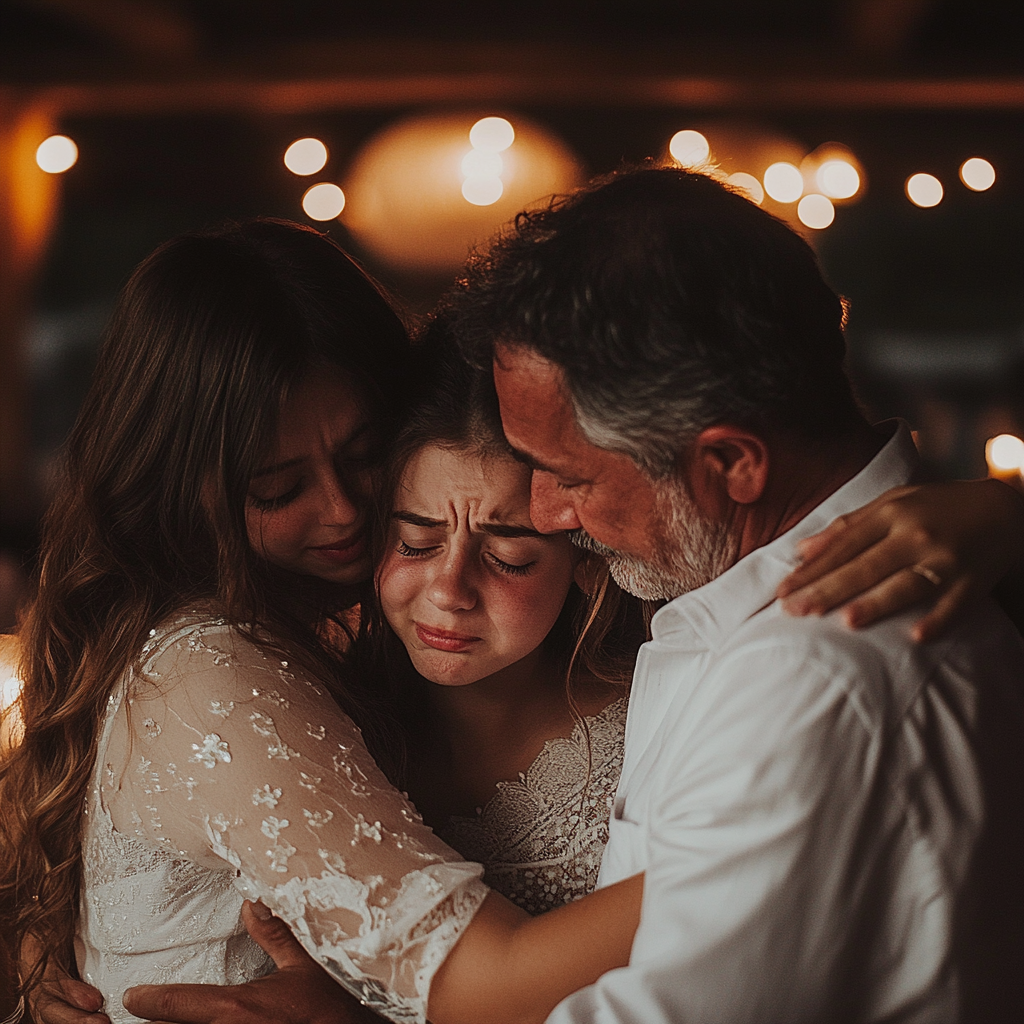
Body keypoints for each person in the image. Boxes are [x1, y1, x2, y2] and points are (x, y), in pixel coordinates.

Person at [10, 200, 1024, 1024]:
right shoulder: (257, 674)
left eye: (541, 510)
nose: (342, 512)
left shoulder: (782, 660)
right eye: (410, 536)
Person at [0, 220, 644, 1024]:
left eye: (365, 454)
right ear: (184, 486)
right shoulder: (211, 676)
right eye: (277, 488)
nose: (343, 512)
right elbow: (478, 985)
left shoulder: (342, 653)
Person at [366, 335, 643, 914]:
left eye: (507, 559)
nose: (448, 592)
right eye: (416, 542)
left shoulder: (653, 732)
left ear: (587, 560)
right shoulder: (323, 717)